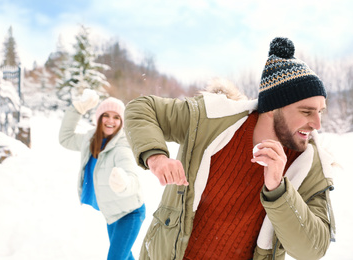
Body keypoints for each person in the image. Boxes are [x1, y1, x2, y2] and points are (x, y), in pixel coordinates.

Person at [124, 37, 336, 260]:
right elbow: (141, 109)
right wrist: (156, 157)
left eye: (320, 111)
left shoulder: (310, 166)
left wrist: (278, 190)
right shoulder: (212, 120)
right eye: (306, 112)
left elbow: (312, 250)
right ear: (273, 108)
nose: (317, 124)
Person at [59, 92, 145, 260]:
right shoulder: (90, 140)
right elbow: (66, 138)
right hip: (113, 211)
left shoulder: (122, 147)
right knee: (125, 256)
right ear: (98, 118)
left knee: (115, 258)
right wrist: (77, 109)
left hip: (130, 212)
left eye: (116, 117)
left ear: (122, 122)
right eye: (106, 115)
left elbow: (132, 178)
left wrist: (124, 183)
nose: (110, 121)